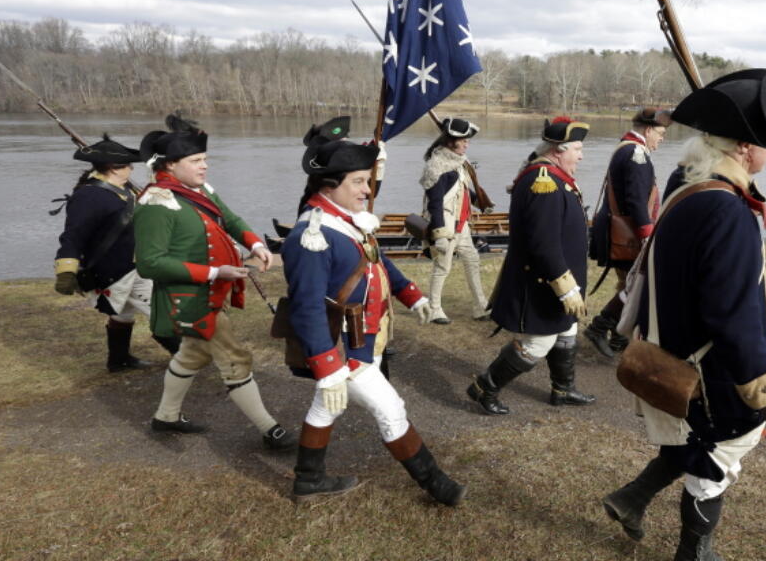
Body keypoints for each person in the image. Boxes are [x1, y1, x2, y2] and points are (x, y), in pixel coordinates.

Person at [601, 69, 766, 561]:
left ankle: (631, 498)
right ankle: (693, 560)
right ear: (747, 148)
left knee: (701, 443)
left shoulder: (690, 189)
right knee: (723, 451)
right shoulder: (727, 211)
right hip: (710, 367)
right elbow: (734, 313)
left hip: (678, 347)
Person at [279, 118, 464, 504]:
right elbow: (308, 308)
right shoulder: (312, 234)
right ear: (330, 185)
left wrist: (414, 297)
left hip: (365, 338)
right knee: (390, 409)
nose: (368, 190)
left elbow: (377, 263)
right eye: (360, 182)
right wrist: (328, 368)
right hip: (344, 352)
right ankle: (437, 485)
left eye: (368, 180)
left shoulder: (347, 221)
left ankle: (308, 480)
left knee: (325, 407)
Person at [133, 113, 296, 449]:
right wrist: (214, 272)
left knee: (193, 354)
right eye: (196, 160)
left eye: (205, 159)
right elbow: (149, 263)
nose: (204, 166)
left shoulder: (198, 189)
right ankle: (271, 430)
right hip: (187, 298)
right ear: (171, 166)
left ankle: (166, 417)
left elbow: (230, 218)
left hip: (210, 292)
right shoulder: (156, 202)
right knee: (235, 357)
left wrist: (255, 243)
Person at [467, 117, 596, 415]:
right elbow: (544, 243)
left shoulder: (554, 175)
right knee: (540, 342)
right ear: (557, 150)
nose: (581, 155)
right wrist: (564, 287)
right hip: (544, 281)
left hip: (559, 277)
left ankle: (562, 389)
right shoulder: (544, 182)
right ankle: (484, 387)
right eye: (577, 148)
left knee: (567, 331)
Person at [53, 134, 180, 371]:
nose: (132, 168)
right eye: (128, 165)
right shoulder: (88, 196)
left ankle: (118, 360)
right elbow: (72, 236)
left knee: (123, 314)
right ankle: (186, 358)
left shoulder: (122, 189)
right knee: (163, 310)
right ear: (113, 168)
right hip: (115, 270)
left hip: (134, 263)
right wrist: (66, 271)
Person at [584, 107, 673, 358]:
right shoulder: (636, 153)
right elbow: (635, 200)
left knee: (629, 283)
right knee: (638, 286)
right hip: (628, 234)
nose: (662, 138)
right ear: (648, 130)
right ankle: (601, 328)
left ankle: (619, 338)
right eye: (661, 133)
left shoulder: (627, 148)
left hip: (619, 230)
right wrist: (647, 234)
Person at [419, 117, 492, 324]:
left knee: (472, 260)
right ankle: (434, 309)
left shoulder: (457, 162)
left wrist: (481, 201)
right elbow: (434, 203)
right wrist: (439, 234)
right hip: (447, 227)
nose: (467, 144)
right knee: (442, 268)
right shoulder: (438, 166)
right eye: (464, 141)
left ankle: (480, 306)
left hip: (462, 225)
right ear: (452, 141)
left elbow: (461, 189)